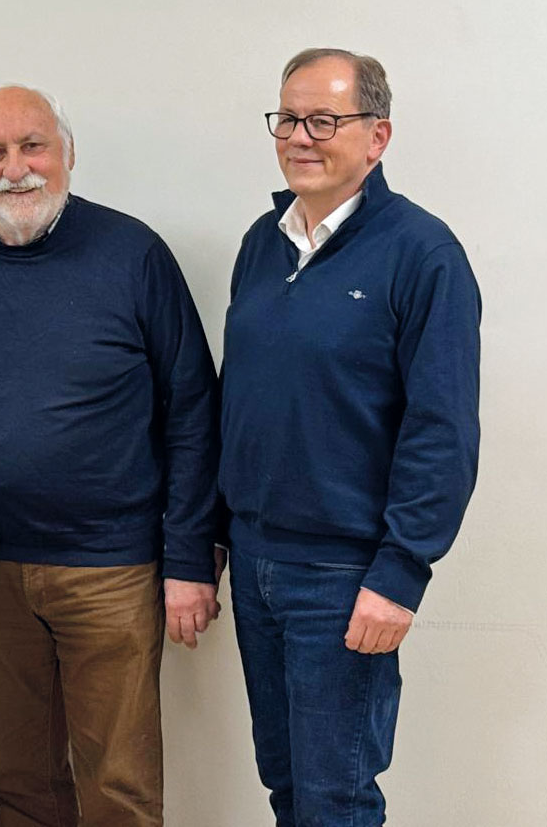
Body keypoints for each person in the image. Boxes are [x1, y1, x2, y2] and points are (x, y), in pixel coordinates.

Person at [0, 86, 222, 827]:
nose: (17, 168)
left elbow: (193, 412)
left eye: (33, 145)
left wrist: (189, 560)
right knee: (19, 786)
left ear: (68, 152)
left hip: (113, 570)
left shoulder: (134, 253)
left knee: (121, 789)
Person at [221, 48, 481, 825]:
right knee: (287, 787)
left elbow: (442, 429)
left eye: (324, 119)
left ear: (378, 136)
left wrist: (401, 570)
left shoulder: (422, 254)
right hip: (255, 561)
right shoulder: (260, 245)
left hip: (344, 576)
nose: (300, 136)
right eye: (288, 118)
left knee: (337, 798)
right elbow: (241, 399)